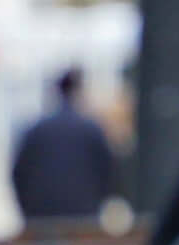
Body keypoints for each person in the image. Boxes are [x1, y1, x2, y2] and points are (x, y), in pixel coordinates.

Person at [9, 69, 116, 225]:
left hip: (40, 214)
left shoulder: (36, 130)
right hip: (83, 213)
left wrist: (27, 208)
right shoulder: (91, 129)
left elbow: (18, 172)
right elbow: (108, 172)